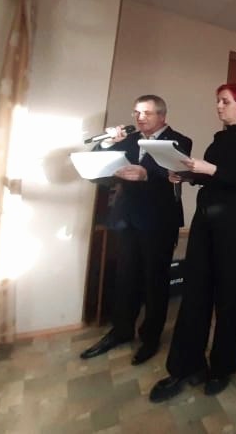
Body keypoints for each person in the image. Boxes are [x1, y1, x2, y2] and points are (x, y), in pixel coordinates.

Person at [149, 83, 236, 402]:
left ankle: (223, 367)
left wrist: (208, 168)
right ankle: (186, 365)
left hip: (234, 221)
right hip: (205, 218)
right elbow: (213, 177)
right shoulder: (219, 138)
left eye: (225, 101)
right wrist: (186, 174)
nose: (219, 106)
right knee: (195, 289)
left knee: (229, 291)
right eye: (218, 101)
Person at [80, 95, 191, 366]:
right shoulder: (128, 140)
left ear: (162, 116)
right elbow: (99, 168)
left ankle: (150, 337)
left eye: (147, 113)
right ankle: (121, 331)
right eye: (137, 113)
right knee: (125, 277)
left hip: (159, 221)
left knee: (155, 280)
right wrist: (108, 143)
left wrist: (146, 174)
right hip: (127, 218)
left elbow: (174, 170)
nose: (140, 118)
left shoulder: (179, 140)